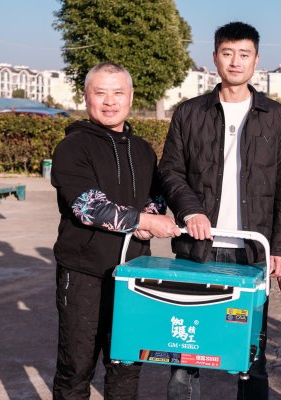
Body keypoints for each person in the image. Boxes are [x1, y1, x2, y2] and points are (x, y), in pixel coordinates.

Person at [158, 21, 281, 400]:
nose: (236, 61)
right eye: (228, 53)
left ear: (256, 60)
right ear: (215, 57)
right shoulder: (189, 113)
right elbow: (170, 171)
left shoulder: (275, 115)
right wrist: (190, 211)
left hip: (251, 253)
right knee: (186, 352)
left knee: (250, 355)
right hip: (198, 251)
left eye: (244, 54)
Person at [51, 61, 181, 400]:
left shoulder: (142, 150)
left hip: (133, 275)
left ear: (130, 97)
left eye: (118, 93)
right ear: (86, 97)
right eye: (101, 93)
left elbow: (154, 198)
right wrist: (144, 222)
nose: (110, 101)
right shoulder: (73, 147)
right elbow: (87, 207)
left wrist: (149, 218)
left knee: (126, 364)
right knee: (76, 366)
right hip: (84, 273)